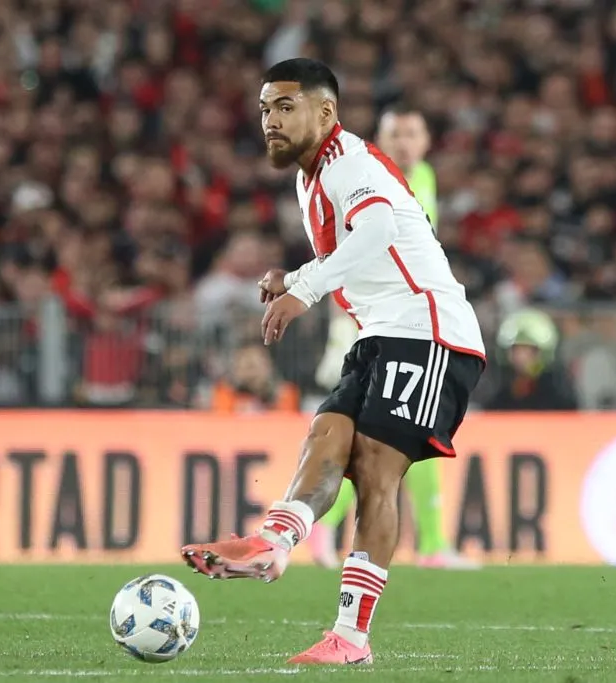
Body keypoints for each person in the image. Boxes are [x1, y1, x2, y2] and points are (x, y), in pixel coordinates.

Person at [181, 58, 486, 666]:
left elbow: (374, 232)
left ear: (326, 112)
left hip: (429, 330)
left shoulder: (350, 162)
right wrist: (292, 276)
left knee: (376, 470)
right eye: (265, 108)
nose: (270, 119)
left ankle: (351, 638)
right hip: (381, 331)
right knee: (326, 433)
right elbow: (364, 249)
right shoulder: (309, 175)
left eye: (285, 107)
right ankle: (275, 540)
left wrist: (304, 291)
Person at [308, 104, 480, 571]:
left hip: (405, 318)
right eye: (395, 134)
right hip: (370, 320)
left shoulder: (423, 176)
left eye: (412, 133)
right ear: (380, 141)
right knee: (378, 438)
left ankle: (430, 544)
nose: (404, 142)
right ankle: (324, 526)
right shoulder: (365, 178)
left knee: (406, 435)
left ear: (425, 142)